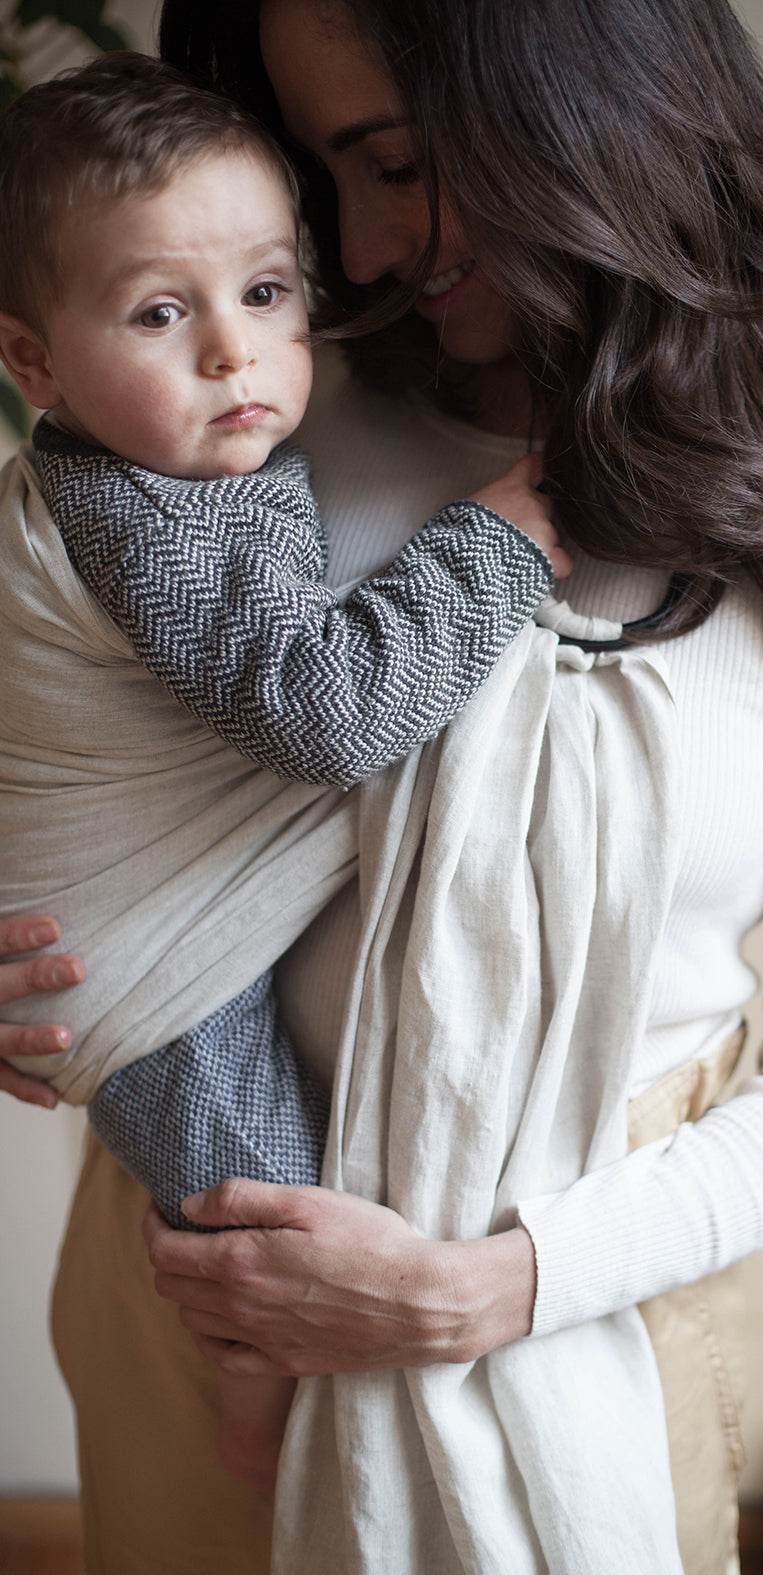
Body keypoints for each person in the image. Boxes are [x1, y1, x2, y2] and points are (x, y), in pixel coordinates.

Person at [0, 1, 763, 1571]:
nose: (368, 248)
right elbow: (58, 707)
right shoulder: (232, 426)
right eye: (329, 178)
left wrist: (481, 1290)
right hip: (198, 1295)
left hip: (571, 1333)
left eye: (399, 163)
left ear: (588, 112)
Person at [0, 51, 567, 1500]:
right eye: (159, 313)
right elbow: (324, 712)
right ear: (33, 362)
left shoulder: (160, 462)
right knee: (263, 1222)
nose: (233, 355)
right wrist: (498, 540)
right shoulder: (155, 513)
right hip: (140, 978)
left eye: (265, 293)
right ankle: (254, 1410)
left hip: (136, 947)